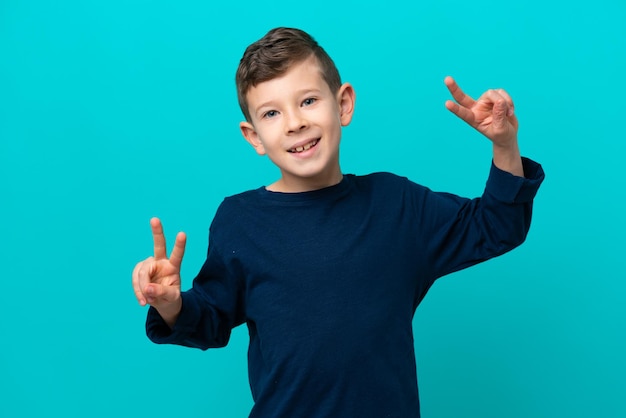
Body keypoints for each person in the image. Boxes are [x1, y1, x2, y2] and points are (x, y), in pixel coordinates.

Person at [132, 27, 544, 417]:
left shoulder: (396, 204)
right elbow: (210, 320)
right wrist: (173, 304)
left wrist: (505, 145)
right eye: (272, 113)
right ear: (253, 136)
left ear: (343, 103)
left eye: (308, 101)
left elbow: (496, 226)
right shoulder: (240, 220)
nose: (295, 122)